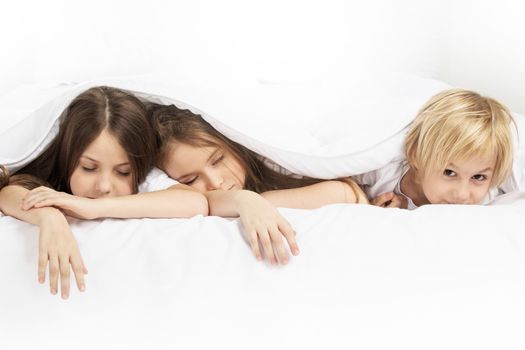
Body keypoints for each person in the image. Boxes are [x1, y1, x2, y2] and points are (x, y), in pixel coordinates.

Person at [0, 86, 208, 300]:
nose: (104, 186)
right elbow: (8, 192)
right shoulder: (52, 173)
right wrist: (49, 217)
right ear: (67, 157)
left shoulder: (143, 179)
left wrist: (92, 208)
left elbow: (195, 202)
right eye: (89, 168)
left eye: (123, 172)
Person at [149, 104, 368, 266]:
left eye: (218, 160)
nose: (215, 182)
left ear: (234, 145)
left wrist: (260, 202)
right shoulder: (188, 200)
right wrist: (244, 201)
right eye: (191, 180)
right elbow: (204, 203)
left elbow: (345, 192)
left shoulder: (275, 165)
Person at [355, 88, 516, 209]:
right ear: (416, 155)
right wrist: (366, 204)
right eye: (449, 172)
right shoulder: (385, 173)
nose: (462, 194)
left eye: (479, 177)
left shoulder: (487, 200)